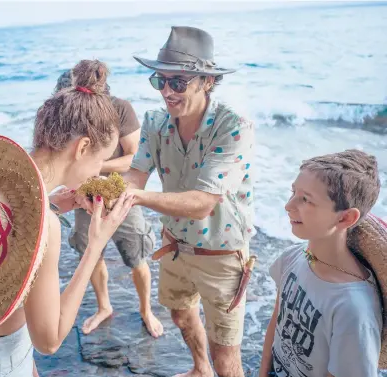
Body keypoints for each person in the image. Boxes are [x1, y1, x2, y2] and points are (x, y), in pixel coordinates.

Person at [0, 60, 135, 377]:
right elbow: (50, 340)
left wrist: (54, 205)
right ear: (83, 147)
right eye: (100, 160)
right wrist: (95, 245)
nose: (98, 173)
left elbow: (6, 242)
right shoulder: (46, 225)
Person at [126, 26, 256, 377]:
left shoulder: (233, 126)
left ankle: (211, 367)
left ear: (207, 81)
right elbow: (134, 177)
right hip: (174, 246)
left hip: (221, 255)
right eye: (160, 81)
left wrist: (135, 197)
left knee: (226, 355)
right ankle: (200, 370)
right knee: (181, 315)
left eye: (178, 82)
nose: (167, 91)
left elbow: (202, 202)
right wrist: (94, 191)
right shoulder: (155, 122)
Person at [54, 68, 163, 338]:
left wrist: (97, 165)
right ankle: (104, 307)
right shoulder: (66, 117)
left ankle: (146, 309)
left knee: (135, 254)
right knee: (90, 252)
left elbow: (135, 158)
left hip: (120, 192)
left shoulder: (120, 109)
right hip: (82, 194)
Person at [259, 149, 385, 377]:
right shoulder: (293, 258)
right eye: (293, 192)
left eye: (306, 199)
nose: (288, 205)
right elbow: (276, 325)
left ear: (345, 218)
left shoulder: (353, 309)